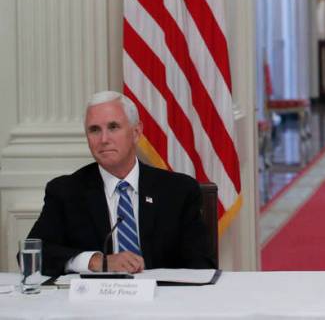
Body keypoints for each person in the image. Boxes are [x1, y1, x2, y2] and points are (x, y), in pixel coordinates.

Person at [27, 91, 215, 275]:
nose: (104, 139)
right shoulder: (66, 191)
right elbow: (33, 255)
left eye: (113, 127)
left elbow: (201, 265)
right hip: (95, 302)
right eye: (94, 130)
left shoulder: (178, 191)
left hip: (162, 300)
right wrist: (95, 261)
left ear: (136, 132)